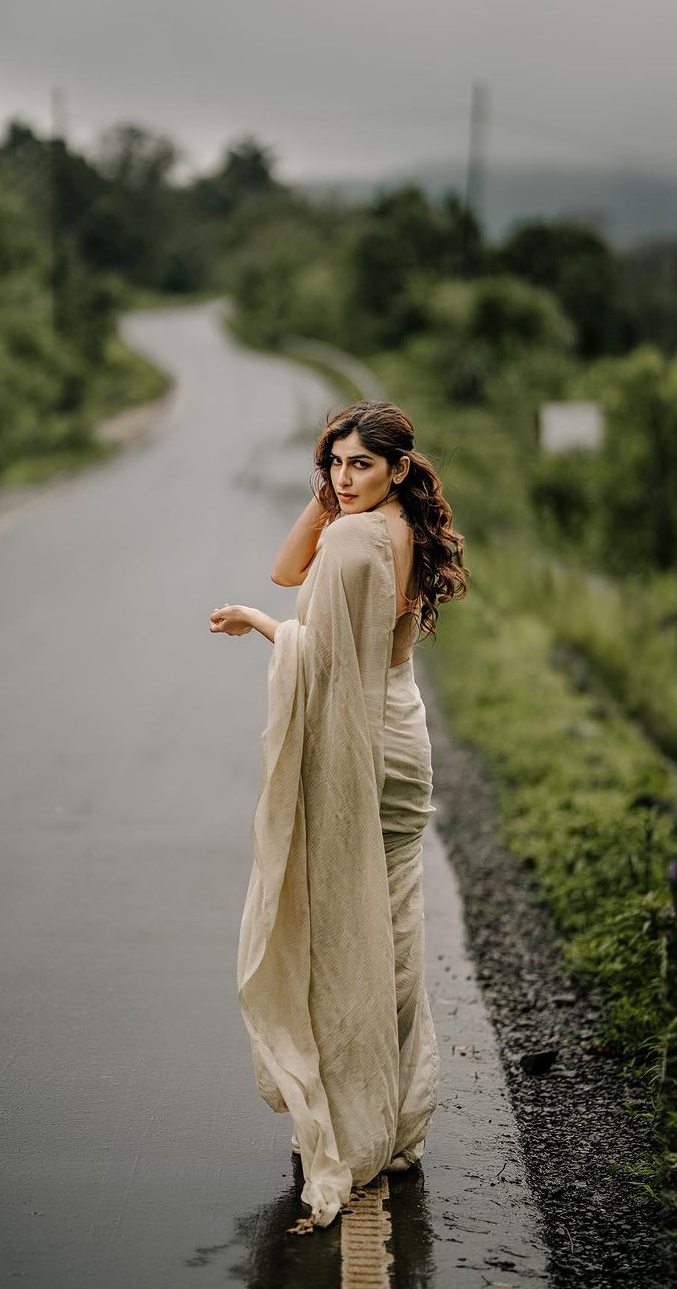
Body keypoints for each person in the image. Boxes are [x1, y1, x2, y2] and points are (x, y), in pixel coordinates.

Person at [209, 400, 469, 1230]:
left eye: (359, 464)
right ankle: (392, 1122)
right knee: (387, 921)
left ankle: (359, 1123)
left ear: (398, 466)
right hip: (400, 729)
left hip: (370, 744)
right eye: (332, 464)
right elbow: (296, 571)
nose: (341, 478)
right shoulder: (396, 524)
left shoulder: (359, 539)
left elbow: (313, 640)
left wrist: (258, 625)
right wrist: (334, 497)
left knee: (357, 930)